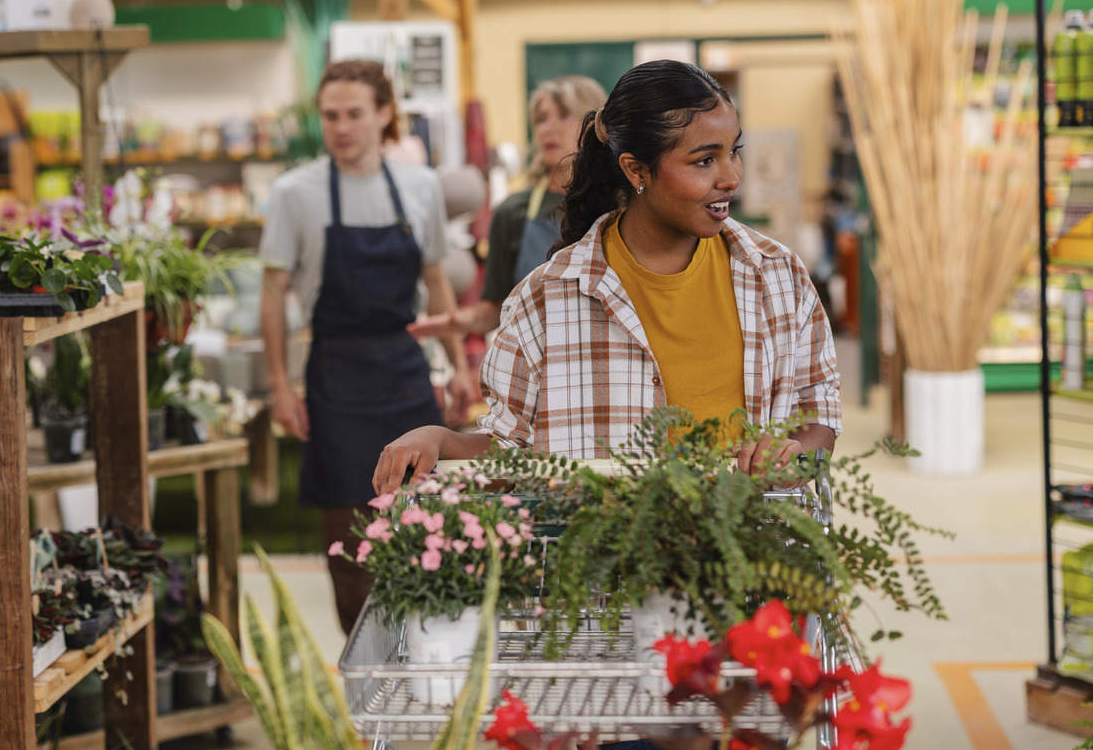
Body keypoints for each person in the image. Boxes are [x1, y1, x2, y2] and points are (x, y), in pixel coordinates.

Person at [373, 58, 841, 493]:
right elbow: (512, 452)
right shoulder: (546, 300)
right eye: (704, 160)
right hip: (600, 556)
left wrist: (794, 453)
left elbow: (817, 410)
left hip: (750, 548)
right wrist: (439, 439)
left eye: (733, 152)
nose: (731, 177)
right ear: (636, 169)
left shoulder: (776, 276)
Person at [259, 59, 474, 634]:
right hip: (335, 380)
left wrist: (457, 365)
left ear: (384, 114)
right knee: (350, 551)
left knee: (424, 536)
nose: (341, 127)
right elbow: (273, 294)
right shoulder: (294, 192)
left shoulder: (420, 187)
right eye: (330, 116)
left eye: (354, 113)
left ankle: (426, 663)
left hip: (405, 375)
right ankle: (363, 675)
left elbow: (436, 284)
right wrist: (280, 386)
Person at [408, 75, 607, 339]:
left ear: (595, 124)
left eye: (563, 115)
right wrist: (462, 319)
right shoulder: (513, 211)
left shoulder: (620, 205)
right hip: (539, 359)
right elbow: (496, 307)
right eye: (541, 119)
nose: (548, 129)